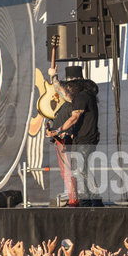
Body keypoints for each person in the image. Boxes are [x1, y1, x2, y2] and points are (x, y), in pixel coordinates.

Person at [46, 66, 100, 207]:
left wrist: (58, 130)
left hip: (85, 140)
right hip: (82, 139)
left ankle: (92, 202)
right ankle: (91, 201)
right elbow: (62, 92)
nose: (68, 88)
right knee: (82, 171)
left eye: (69, 86)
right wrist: (54, 77)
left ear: (75, 86)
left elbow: (74, 118)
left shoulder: (82, 97)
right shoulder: (81, 96)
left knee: (82, 171)